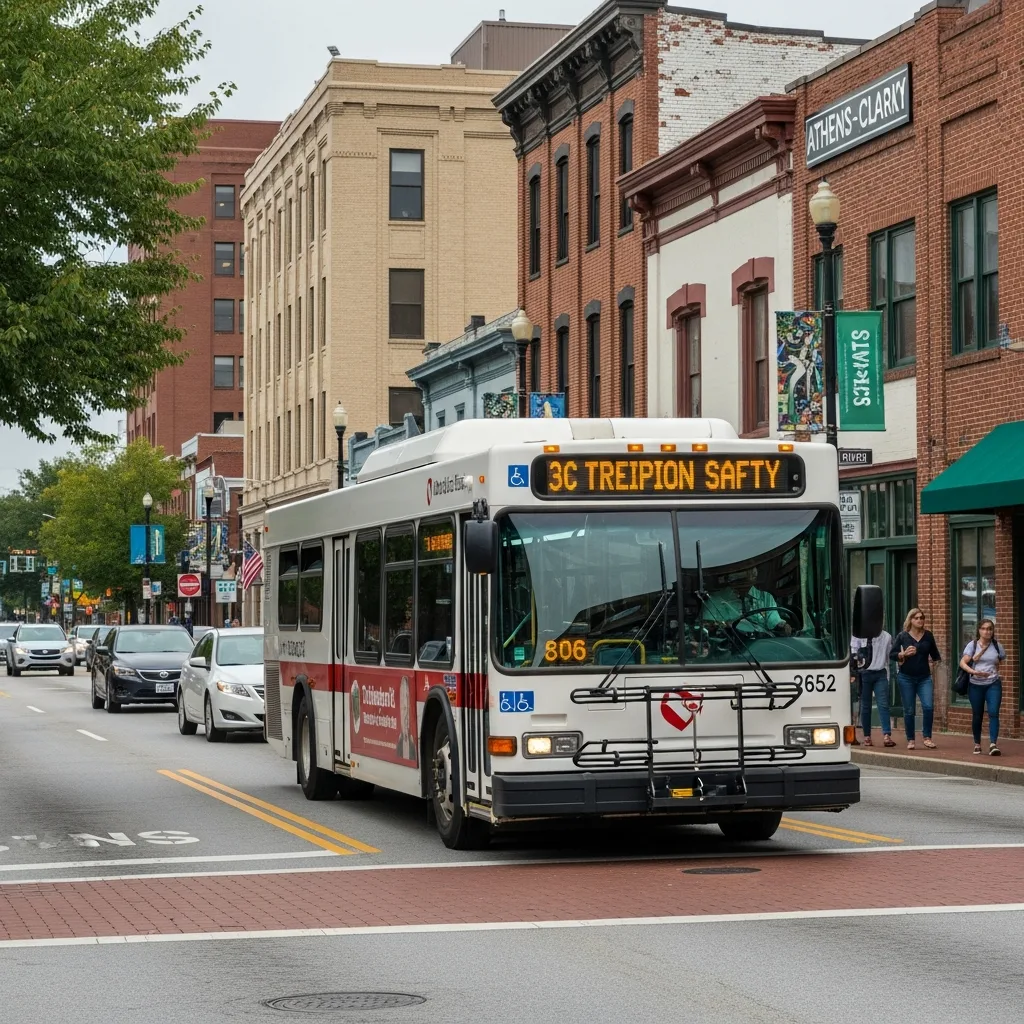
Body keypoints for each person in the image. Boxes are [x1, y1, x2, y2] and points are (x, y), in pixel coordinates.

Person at [891, 608, 942, 750]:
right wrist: (903, 655)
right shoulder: (903, 636)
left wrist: (933, 665)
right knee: (909, 710)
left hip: (924, 678)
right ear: (910, 620)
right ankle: (911, 739)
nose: (920, 620)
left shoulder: (928, 636)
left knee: (928, 706)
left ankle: (927, 737)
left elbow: (936, 656)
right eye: (916, 618)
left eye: (921, 617)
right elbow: (892, 654)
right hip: (906, 677)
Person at [959, 618, 1005, 756]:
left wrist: (996, 672)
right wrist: (974, 672)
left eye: (989, 629)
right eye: (984, 628)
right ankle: (977, 744)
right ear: (979, 630)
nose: (987, 631)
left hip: (993, 683)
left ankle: (993, 744)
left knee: (993, 712)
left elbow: (999, 660)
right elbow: (963, 663)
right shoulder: (972, 645)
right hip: (976, 685)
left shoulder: (997, 646)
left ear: (992, 631)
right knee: (977, 715)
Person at [705, 567, 792, 636]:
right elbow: (707, 628)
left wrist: (783, 626)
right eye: (738, 576)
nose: (742, 581)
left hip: (759, 646)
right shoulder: (715, 599)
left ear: (755, 576)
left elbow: (774, 622)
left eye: (748, 573)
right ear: (728, 577)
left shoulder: (765, 597)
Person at [851, 627, 894, 747]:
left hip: (880, 672)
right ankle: (867, 736)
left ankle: (886, 735)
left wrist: (888, 676)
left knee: (883, 704)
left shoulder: (887, 636)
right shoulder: (859, 635)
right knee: (865, 705)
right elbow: (854, 653)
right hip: (864, 673)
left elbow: (887, 658)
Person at [394, 676, 415, 761]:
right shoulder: (399, 746)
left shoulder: (413, 745)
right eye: (403, 708)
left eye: (407, 708)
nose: (405, 715)